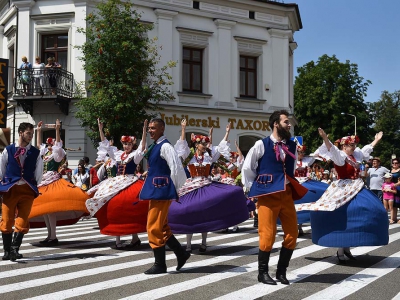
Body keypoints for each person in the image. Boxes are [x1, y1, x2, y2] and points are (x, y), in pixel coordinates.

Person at [296, 129, 388, 265]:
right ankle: (340, 249)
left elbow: (366, 150)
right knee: (343, 215)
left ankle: (347, 249)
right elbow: (332, 149)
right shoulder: (340, 156)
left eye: (354, 145)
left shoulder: (355, 155)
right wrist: (325, 139)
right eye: (351, 145)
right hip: (342, 188)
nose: (354, 147)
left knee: (371, 210)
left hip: (357, 186)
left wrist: (377, 140)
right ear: (344, 146)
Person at [241, 110, 308, 285]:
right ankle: (262, 273)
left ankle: (281, 272)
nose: (289, 125)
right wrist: (253, 191)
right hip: (268, 195)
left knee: (292, 233)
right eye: (286, 122)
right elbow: (247, 169)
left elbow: (291, 170)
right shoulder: (261, 145)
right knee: (267, 235)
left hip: (285, 194)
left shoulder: (292, 145)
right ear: (276, 124)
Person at [168, 120, 249, 252]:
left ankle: (204, 243)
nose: (205, 145)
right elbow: (182, 146)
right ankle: (188, 245)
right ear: (196, 144)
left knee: (205, 214)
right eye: (203, 143)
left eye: (206, 143)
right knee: (190, 213)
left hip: (206, 186)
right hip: (192, 186)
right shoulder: (190, 157)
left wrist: (227, 133)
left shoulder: (209, 156)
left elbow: (221, 148)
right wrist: (183, 129)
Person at [85, 119, 148, 250]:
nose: (126, 146)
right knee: (112, 204)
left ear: (132, 144)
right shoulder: (118, 154)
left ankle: (134, 237)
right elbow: (106, 145)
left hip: (130, 181)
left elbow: (142, 147)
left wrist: (144, 130)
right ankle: (118, 238)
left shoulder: (135, 156)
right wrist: (100, 129)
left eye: (129, 144)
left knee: (129, 207)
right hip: (117, 181)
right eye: (125, 144)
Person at [139, 118, 189, 275]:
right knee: (162, 226)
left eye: (153, 128)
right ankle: (181, 253)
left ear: (162, 129)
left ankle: (160, 264)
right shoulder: (156, 146)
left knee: (153, 226)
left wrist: (174, 189)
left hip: (161, 191)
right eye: (150, 128)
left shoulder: (166, 146)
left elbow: (176, 167)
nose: (150, 131)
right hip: (156, 190)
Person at [28, 120, 90, 244]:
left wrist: (57, 129)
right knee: (45, 210)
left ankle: (53, 236)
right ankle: (50, 235)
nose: (48, 145)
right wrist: (38, 130)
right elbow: (39, 145)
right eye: (48, 144)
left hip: (53, 181)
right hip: (43, 181)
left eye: (50, 144)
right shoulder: (45, 153)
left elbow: (58, 145)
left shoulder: (57, 154)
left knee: (50, 209)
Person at [0, 122, 43, 261]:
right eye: (28, 133)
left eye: (32, 133)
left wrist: (32, 184)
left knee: (23, 219)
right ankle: (7, 251)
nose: (31, 136)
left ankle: (14, 250)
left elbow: (38, 172)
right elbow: (1, 168)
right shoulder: (9, 150)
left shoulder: (35, 152)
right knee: (6, 219)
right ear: (20, 133)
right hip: (10, 188)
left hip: (27, 189)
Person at [390, 157, 400, 223]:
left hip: (398, 188)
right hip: (392, 189)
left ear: (399, 164)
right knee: (394, 204)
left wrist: (396, 184)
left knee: (399, 203)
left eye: (396, 163)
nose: (394, 164)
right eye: (393, 163)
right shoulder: (390, 170)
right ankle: (394, 218)